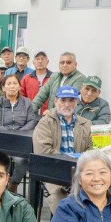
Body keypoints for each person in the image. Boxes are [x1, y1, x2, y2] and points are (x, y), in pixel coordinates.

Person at [32, 86, 92, 214]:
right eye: (63, 100)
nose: (67, 104)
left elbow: (92, 148)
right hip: (54, 171)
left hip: (81, 171)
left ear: (76, 103)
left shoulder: (86, 124)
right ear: (55, 102)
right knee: (62, 201)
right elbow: (44, 151)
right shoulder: (45, 123)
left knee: (96, 198)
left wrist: (80, 164)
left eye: (71, 100)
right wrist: (71, 161)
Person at [0, 74, 38, 193]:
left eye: (15, 83)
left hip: (21, 139)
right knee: (0, 160)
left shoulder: (26, 102)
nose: (12, 87)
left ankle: (13, 183)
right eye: (8, 84)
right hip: (2, 138)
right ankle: (0, 185)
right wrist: (8, 133)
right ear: (3, 88)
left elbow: (31, 121)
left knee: (22, 160)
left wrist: (19, 133)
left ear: (19, 86)